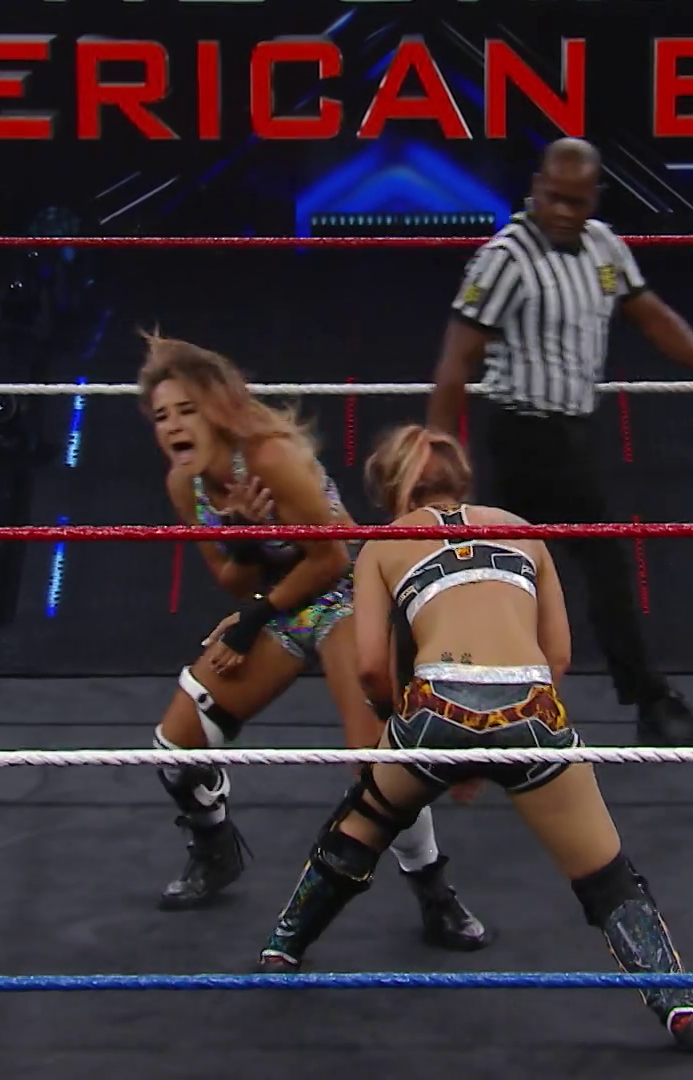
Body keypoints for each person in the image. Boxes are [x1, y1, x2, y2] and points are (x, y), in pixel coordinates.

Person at [251, 424, 693, 1054]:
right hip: (530, 707)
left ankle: (283, 946)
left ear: (389, 491)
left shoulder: (385, 542)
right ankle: (682, 1009)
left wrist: (402, 730)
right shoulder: (521, 530)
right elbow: (557, 655)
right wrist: (505, 728)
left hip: (434, 705)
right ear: (461, 476)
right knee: (606, 875)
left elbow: (370, 666)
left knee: (365, 819)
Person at [137, 333, 491, 952]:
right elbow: (231, 579)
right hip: (280, 601)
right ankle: (215, 849)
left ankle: (435, 891)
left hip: (346, 594)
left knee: (377, 760)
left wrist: (252, 617)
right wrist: (246, 541)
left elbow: (332, 558)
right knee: (177, 741)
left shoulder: (269, 457)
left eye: (186, 410)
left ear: (217, 409)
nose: (173, 427)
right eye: (162, 415)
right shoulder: (183, 486)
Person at [425, 137, 693, 748]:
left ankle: (466, 705)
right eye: (552, 196)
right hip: (524, 433)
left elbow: (651, 314)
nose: (561, 211)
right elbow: (457, 357)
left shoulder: (606, 247)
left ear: (594, 198)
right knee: (584, 568)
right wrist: (439, 452)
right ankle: (646, 701)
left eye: (575, 201)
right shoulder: (505, 258)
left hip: (574, 434)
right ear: (535, 186)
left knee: (512, 574)